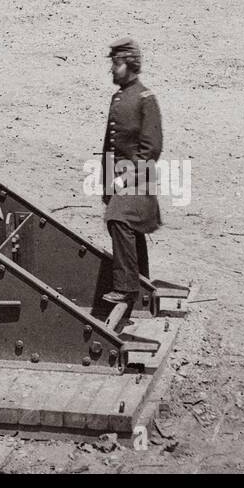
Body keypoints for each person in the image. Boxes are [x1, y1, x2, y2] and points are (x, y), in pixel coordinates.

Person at [100, 37, 163, 308]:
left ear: (130, 64)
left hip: (139, 182)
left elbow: (151, 148)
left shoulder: (145, 99)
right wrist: (107, 184)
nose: (112, 70)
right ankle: (142, 281)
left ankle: (126, 287)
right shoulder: (119, 98)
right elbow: (109, 146)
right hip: (120, 181)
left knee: (118, 218)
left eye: (117, 64)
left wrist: (126, 178)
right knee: (128, 227)